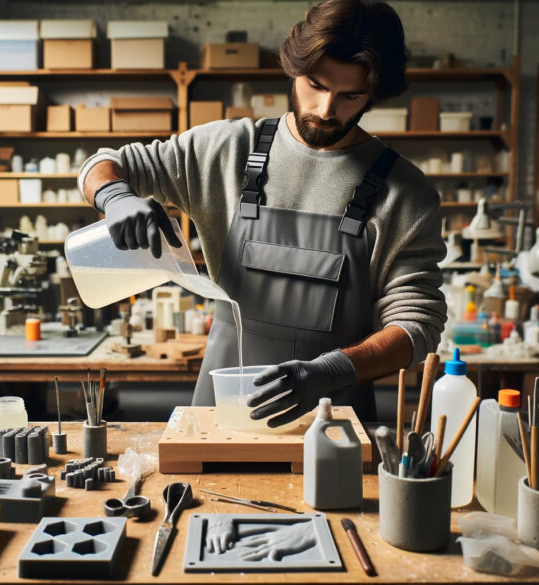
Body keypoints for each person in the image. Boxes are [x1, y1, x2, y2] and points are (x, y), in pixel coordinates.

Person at [78, 0, 446, 426]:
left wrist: (331, 371)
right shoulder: (226, 150)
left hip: (331, 418)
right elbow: (102, 164)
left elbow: (417, 325)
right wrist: (115, 195)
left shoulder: (407, 194)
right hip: (222, 411)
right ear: (293, 70)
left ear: (373, 94)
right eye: (315, 84)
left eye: (350, 95)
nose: (326, 110)